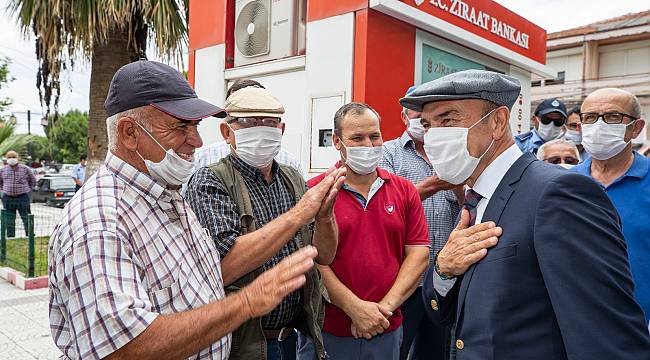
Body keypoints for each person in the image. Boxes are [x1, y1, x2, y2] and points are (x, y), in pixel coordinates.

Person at [48, 60, 322, 360]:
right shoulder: (100, 223)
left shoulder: (167, 195)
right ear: (129, 133)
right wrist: (246, 303)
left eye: (195, 126)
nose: (197, 141)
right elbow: (125, 349)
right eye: (180, 126)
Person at [400, 69, 650, 359]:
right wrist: (444, 268)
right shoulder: (476, 199)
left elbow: (607, 338)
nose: (434, 136)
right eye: (429, 125)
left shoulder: (559, 193)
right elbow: (445, 313)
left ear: (497, 122)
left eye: (448, 119)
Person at [185, 86, 345, 360]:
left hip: (291, 338)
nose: (260, 129)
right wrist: (299, 215)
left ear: (281, 130)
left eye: (269, 123)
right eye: (248, 122)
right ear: (227, 132)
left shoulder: (292, 178)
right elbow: (224, 267)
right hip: (242, 345)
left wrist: (324, 216)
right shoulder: (210, 181)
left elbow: (324, 255)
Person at [306, 102, 430, 360]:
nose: (368, 146)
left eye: (374, 136)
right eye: (357, 138)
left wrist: (381, 311)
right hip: (328, 331)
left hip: (386, 329)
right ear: (337, 142)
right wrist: (355, 309)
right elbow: (313, 261)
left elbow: (418, 255)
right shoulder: (315, 191)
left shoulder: (404, 191)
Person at [379, 86, 461, 360]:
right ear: (404, 117)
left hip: (444, 279)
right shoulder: (389, 153)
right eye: (418, 115)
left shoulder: (450, 154)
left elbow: (467, 204)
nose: (424, 122)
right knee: (396, 350)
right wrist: (433, 185)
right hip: (404, 281)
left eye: (431, 117)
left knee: (436, 352)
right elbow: (383, 203)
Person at [572, 88, 650, 326]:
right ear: (579, 127)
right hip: (573, 323)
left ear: (636, 128)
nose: (599, 125)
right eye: (590, 117)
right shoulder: (562, 184)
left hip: (638, 329)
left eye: (613, 117)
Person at [192, 79, 303, 177]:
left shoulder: (290, 165)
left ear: (281, 129)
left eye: (269, 120)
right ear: (226, 130)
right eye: (246, 119)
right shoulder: (203, 160)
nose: (259, 129)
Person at [0, 151, 35, 237]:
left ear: (17, 158)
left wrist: (28, 189)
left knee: (26, 217)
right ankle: (10, 237)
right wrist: (3, 190)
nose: (12, 159)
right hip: (8, 198)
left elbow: (33, 180)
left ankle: (29, 235)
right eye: (9, 157)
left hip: (22, 197)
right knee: (10, 219)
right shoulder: (2, 170)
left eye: (13, 156)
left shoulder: (25, 169)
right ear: (6, 159)